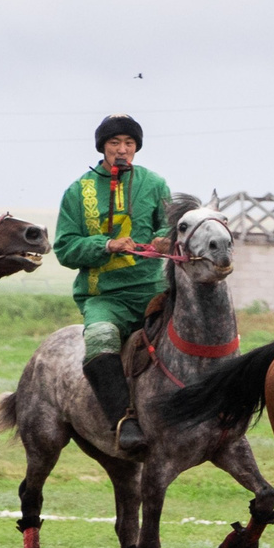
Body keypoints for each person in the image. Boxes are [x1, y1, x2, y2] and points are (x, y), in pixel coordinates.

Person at [52, 115, 175, 457]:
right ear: (102, 147)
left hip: (153, 290)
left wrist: (165, 240)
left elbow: (167, 226)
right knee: (101, 337)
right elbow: (64, 247)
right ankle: (125, 422)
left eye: (129, 144)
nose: (122, 150)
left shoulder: (155, 183)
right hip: (103, 295)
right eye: (114, 144)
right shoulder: (77, 192)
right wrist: (106, 245)